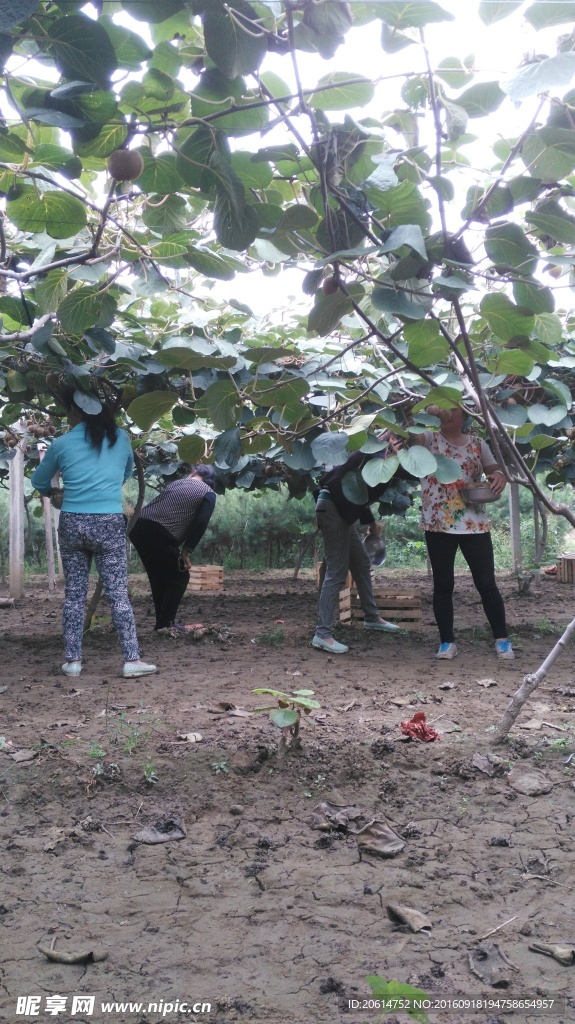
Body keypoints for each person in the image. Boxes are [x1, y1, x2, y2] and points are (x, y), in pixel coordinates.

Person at [31, 387, 156, 679]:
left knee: (74, 595)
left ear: (75, 412)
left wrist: (55, 491)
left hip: (73, 522)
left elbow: (39, 480)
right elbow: (125, 473)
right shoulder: (121, 438)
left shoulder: (61, 443)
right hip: (108, 523)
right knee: (118, 594)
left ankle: (73, 661)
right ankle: (131, 660)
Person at [414, 406, 514, 661]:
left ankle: (502, 640)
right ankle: (447, 642)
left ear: (462, 414)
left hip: (473, 523)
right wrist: (410, 413)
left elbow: (493, 469)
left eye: (451, 410)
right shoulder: (428, 438)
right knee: (443, 584)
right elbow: (410, 440)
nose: (446, 414)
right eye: (441, 410)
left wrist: (498, 475)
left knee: (486, 582)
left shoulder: (478, 444)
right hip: (438, 523)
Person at [313, 449, 402, 654]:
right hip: (333, 510)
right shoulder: (372, 456)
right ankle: (322, 633)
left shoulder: (371, 459)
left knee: (361, 563)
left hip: (340, 512)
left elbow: (359, 494)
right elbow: (349, 488)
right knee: (337, 570)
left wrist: (370, 522)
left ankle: (371, 617)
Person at [129, 465, 217, 634]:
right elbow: (201, 522)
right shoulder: (208, 492)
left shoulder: (176, 484)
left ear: (193, 474)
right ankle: (166, 624)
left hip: (138, 526)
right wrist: (187, 550)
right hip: (160, 531)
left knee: (158, 577)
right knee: (179, 577)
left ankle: (162, 625)